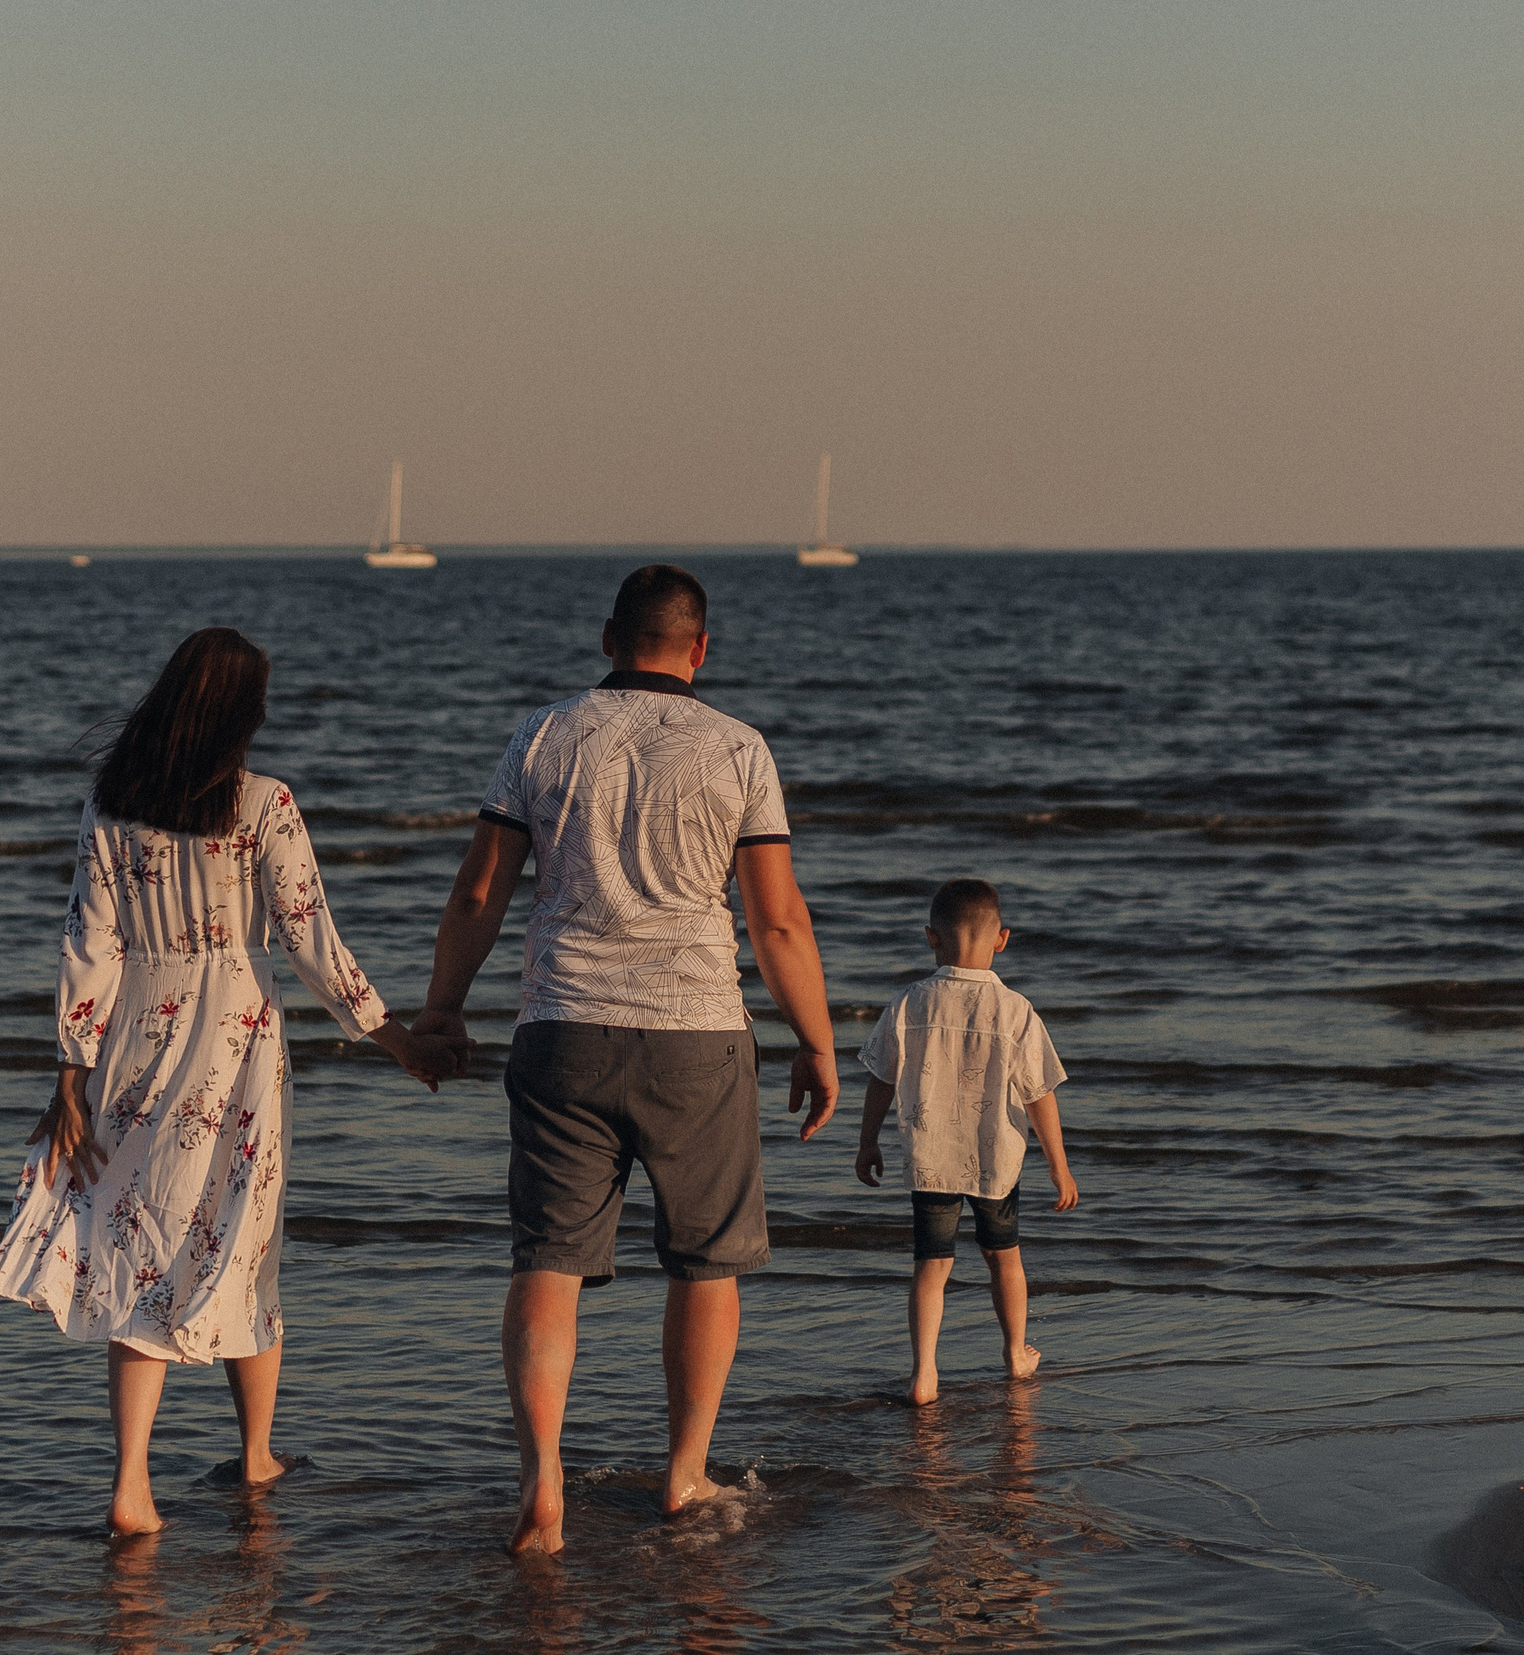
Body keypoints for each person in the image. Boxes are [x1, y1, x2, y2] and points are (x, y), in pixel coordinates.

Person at [0, 627, 462, 1535]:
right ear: (242, 713)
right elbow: (310, 936)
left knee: (137, 1240)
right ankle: (254, 1457)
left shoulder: (111, 804)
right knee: (248, 1235)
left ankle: (132, 1487)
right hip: (234, 1037)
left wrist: (72, 1069)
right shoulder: (264, 803)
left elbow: (90, 945)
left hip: (135, 1034)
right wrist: (392, 1037)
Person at [414, 564, 839, 1555]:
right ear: (701, 650)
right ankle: (684, 1476)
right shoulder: (739, 748)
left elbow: (479, 892)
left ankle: (542, 1486)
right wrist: (816, 1041)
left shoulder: (544, 734)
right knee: (704, 1265)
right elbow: (776, 919)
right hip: (696, 1032)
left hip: (562, 1027)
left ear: (609, 638)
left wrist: (440, 1009)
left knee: (548, 1264)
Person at [853, 877, 1076, 1405]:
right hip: (995, 1159)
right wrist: (1058, 1165)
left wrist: (867, 1142)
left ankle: (924, 1374)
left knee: (932, 1264)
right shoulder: (1016, 1010)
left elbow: (881, 1079)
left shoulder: (909, 1003)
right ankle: (1016, 1352)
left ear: (931, 937)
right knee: (1005, 1257)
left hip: (932, 1157)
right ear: (1002, 939)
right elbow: (1040, 1092)